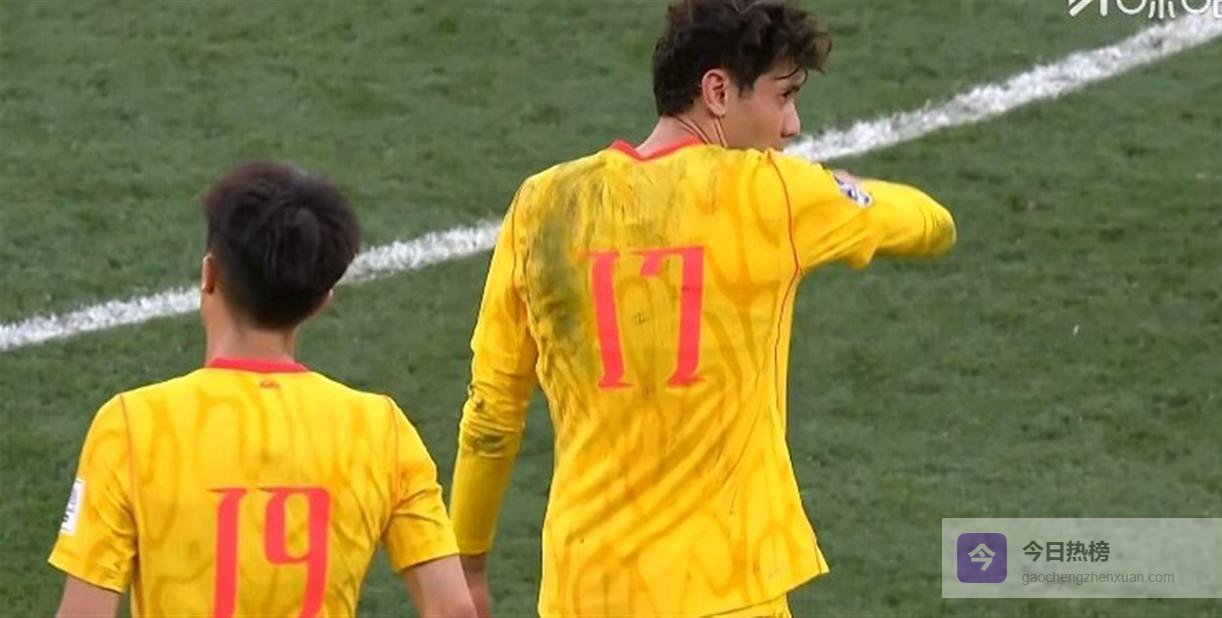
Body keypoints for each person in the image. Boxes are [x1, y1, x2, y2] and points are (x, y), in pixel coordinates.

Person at [449, 0, 956, 615]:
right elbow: (932, 223)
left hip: (588, 589)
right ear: (717, 91)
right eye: (784, 96)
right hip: (728, 587)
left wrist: (467, 564)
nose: (792, 125)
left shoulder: (541, 205)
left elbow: (491, 414)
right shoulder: (775, 195)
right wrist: (848, 190)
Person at [49, 161, 475, 617]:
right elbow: (454, 609)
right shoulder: (382, 431)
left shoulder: (131, 427)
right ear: (321, 302)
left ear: (209, 275)